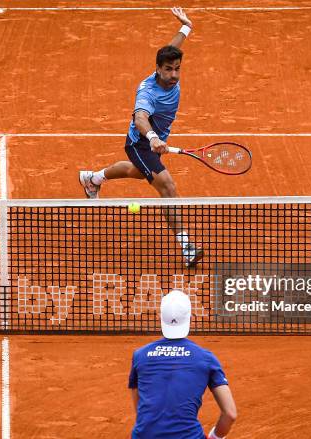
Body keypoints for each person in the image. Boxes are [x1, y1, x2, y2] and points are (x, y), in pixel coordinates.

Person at [79, 7, 204, 268]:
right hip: (141, 142)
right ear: (157, 69)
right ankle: (186, 246)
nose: (174, 75)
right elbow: (140, 118)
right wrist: (153, 138)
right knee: (168, 187)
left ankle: (92, 179)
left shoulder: (166, 68)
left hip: (151, 141)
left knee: (137, 172)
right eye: (168, 70)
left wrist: (186, 27)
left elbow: (171, 48)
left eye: (177, 69)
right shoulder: (147, 92)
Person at [128, 290, 237, 438]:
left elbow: (140, 410)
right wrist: (214, 437)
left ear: (159, 316)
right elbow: (230, 414)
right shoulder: (206, 358)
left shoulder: (140, 355)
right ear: (190, 317)